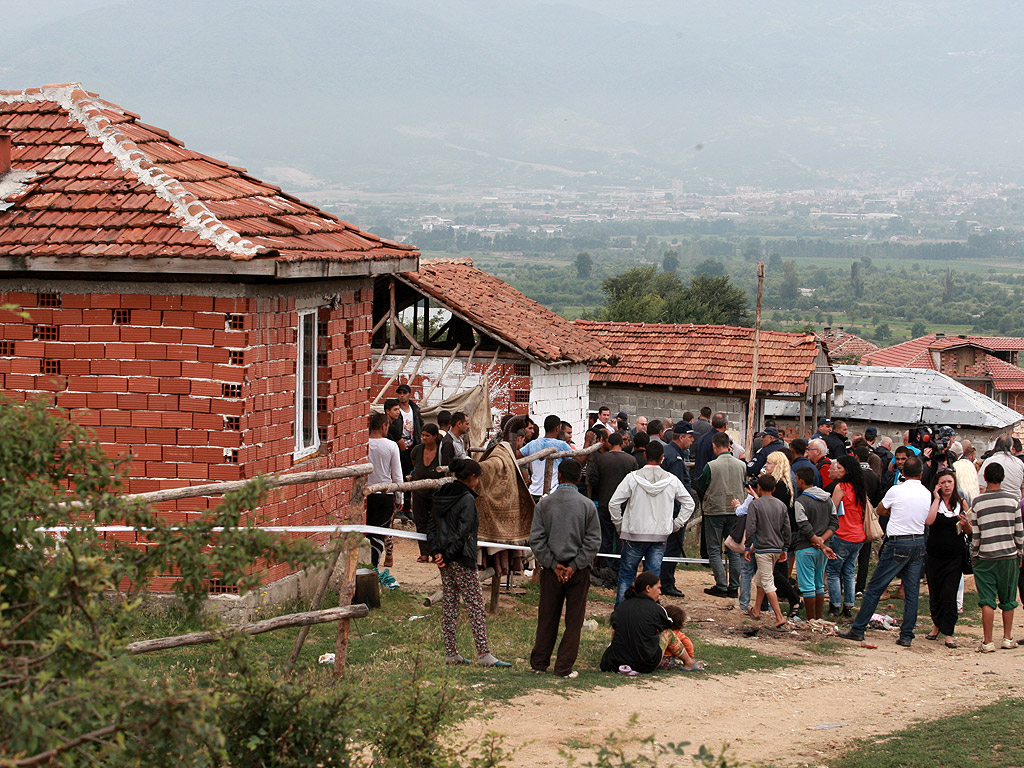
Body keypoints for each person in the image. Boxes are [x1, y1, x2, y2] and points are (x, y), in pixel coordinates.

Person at [840, 456, 936, 647]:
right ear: (921, 473)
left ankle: (858, 628)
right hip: (918, 541)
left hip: (898, 541)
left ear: (902, 473)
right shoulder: (926, 493)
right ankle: (907, 634)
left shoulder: (896, 490)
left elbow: (881, 509)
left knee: (875, 587)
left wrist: (897, 511)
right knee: (911, 590)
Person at [428, 458, 511, 667]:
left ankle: (451, 651)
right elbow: (463, 532)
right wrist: (448, 555)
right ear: (473, 478)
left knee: (450, 602)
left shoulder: (441, 494)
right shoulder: (466, 500)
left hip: (445, 559)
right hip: (461, 558)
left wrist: (437, 551)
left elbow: (431, 525)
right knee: (474, 605)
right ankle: (483, 653)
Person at [529, 459, 602, 678]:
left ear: (558, 476)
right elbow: (593, 541)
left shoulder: (544, 504)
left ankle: (540, 664)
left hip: (551, 570)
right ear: (579, 478)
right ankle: (563, 667)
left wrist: (553, 564)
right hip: (578, 571)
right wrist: (574, 566)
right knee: (574, 621)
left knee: (547, 617)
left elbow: (537, 539)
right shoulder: (587, 505)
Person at [607, 441, 694, 605]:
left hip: (634, 534)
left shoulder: (632, 478)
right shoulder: (672, 480)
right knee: (653, 577)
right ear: (662, 458)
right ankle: (648, 610)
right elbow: (689, 503)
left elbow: (614, 503)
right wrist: (676, 524)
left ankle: (621, 611)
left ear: (645, 455)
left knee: (626, 574)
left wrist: (619, 526)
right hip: (659, 535)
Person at [970, 462, 1024, 652]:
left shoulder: (978, 502)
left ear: (985, 478)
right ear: (1003, 478)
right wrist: (1020, 553)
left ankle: (987, 641)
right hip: (1009, 556)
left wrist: (974, 556)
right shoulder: (1013, 501)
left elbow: (976, 535)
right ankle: (1008, 638)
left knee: (987, 600)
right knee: (1008, 599)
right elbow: (1019, 532)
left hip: (986, 556)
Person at [695, 432, 747, 598]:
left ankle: (721, 585)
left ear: (714, 446)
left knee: (714, 548)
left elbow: (701, 485)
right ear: (729, 446)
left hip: (715, 510)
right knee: (733, 548)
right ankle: (734, 586)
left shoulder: (711, 466)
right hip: (735, 510)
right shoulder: (741, 465)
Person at [924, 468, 971, 648]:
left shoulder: (961, 503)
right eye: (943, 482)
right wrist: (936, 498)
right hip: (935, 555)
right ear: (938, 485)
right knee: (935, 592)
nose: (947, 486)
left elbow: (969, 530)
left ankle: (949, 632)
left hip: (954, 557)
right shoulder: (934, 502)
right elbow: (929, 521)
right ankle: (936, 625)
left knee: (949, 593)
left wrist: (966, 524)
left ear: (954, 483)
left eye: (949, 482)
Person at [599, 571, 672, 675]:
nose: (660, 592)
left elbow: (614, 623)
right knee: (668, 633)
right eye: (658, 588)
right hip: (645, 663)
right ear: (648, 588)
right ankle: (688, 661)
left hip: (614, 662)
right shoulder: (656, 608)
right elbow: (669, 624)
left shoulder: (622, 606)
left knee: (617, 628)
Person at [588, 430, 639, 580]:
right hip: (624, 506)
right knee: (622, 538)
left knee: (606, 538)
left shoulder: (601, 459)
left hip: (605, 503)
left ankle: (605, 568)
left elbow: (593, 479)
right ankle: (620, 568)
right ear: (622, 443)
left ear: (609, 443)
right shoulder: (631, 460)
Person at [744, 475, 792, 629]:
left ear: (759, 488)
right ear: (774, 489)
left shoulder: (756, 505)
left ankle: (779, 616)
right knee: (761, 579)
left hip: (763, 548)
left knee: (767, 582)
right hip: (777, 548)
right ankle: (756, 609)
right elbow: (787, 529)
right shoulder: (781, 505)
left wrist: (747, 546)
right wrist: (785, 547)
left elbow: (751, 528)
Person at [825, 455, 868, 618]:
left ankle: (835, 605)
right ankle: (848, 606)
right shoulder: (859, 487)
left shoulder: (841, 487)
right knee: (849, 572)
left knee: (834, 571)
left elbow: (832, 509)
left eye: (840, 468)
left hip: (842, 534)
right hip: (858, 535)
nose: (837, 470)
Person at [792, 466, 838, 620]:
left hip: (806, 547)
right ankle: (818, 618)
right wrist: (823, 541)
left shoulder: (801, 501)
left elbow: (804, 525)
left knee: (807, 586)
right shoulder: (828, 499)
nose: (796, 482)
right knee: (819, 584)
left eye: (797, 479)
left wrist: (817, 540)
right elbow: (834, 523)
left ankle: (810, 619)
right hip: (823, 549)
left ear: (802, 481)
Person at [367, 412, 402, 589]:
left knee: (367, 532)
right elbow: (397, 474)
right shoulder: (391, 446)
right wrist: (400, 496)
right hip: (384, 495)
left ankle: (369, 567)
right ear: (383, 426)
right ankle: (373, 567)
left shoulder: (364, 444)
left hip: (366, 495)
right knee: (380, 532)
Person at [660, 420, 695, 597]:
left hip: (667, 510)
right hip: (672, 512)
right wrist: (678, 517)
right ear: (681, 437)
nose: (692, 440)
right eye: (690, 437)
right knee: (671, 549)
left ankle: (664, 581)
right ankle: (666, 583)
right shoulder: (675, 458)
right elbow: (676, 489)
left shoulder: (669, 452)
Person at [410, 423, 443, 562]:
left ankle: (436, 552)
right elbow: (415, 465)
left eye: (427, 436)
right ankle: (424, 552)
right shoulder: (417, 451)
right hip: (419, 494)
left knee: (436, 522)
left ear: (435, 436)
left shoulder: (441, 452)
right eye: (422, 435)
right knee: (420, 521)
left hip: (436, 494)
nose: (424, 438)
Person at [520, 414, 572, 501]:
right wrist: (587, 442)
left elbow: (517, 454)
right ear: (557, 428)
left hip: (533, 492)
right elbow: (578, 461)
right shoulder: (561, 445)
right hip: (551, 492)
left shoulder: (533, 444)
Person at [980, 434, 1024, 500]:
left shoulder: (989, 461)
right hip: (1015, 503)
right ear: (1011, 447)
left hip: (994, 502)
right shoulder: (1019, 463)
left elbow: (981, 486)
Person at [660, 605, 702, 671]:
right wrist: (689, 655)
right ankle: (689, 662)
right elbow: (688, 644)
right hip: (668, 662)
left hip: (657, 657)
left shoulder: (660, 632)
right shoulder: (678, 634)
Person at [692, 412, 728, 478]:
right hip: (711, 479)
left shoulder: (702, 438)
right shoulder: (720, 441)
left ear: (712, 423)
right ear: (725, 425)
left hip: (699, 478)